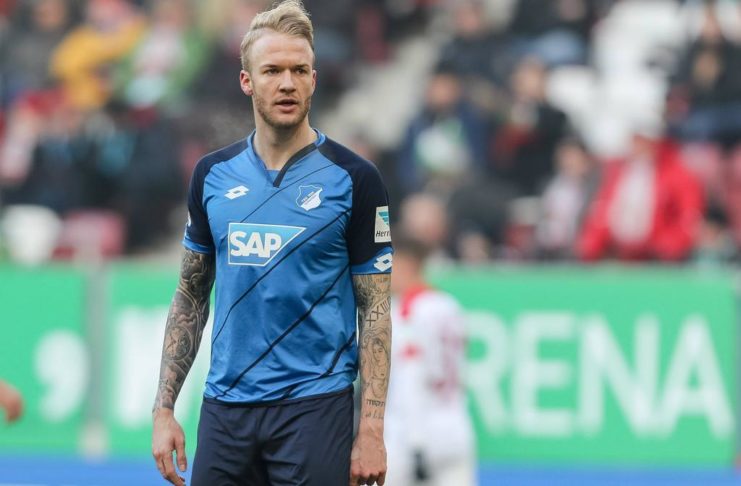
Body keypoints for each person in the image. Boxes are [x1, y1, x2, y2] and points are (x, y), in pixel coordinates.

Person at [150, 2, 393, 486]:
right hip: (226, 408)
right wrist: (164, 408)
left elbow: (376, 309)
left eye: (299, 70)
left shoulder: (355, 179)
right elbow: (191, 295)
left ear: (314, 80)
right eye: (272, 71)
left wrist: (370, 429)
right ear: (247, 81)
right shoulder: (212, 175)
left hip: (314, 407)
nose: (287, 83)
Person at [384, 232, 476, 486]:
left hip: (412, 432)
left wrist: (417, 444)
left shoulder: (406, 310)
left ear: (406, 263)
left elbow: (411, 377)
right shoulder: (448, 305)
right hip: (455, 426)